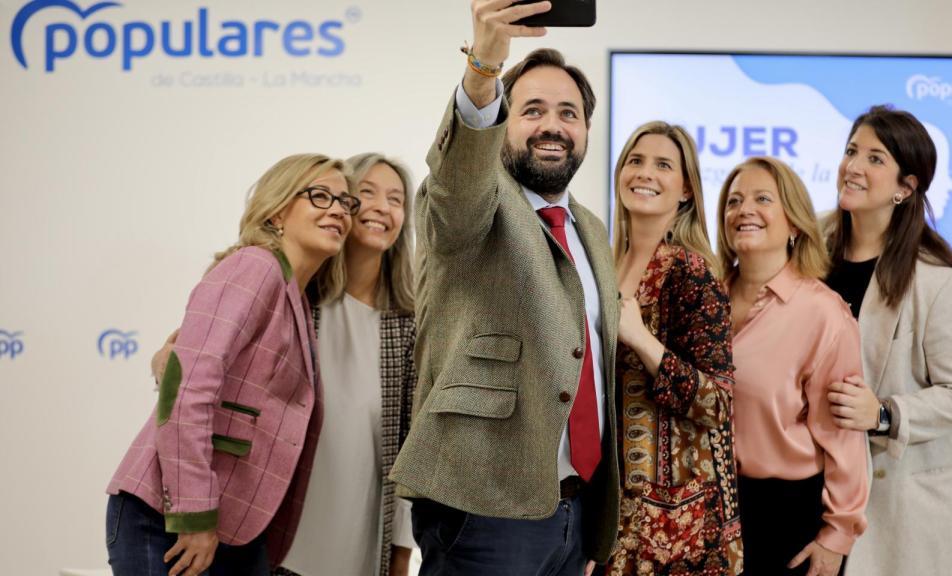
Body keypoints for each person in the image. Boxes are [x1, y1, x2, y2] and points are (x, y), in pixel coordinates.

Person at [388, 1, 621, 574]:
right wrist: (486, 63)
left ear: (586, 130)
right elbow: (460, 175)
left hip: (572, 508)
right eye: (532, 110)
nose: (552, 125)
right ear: (503, 124)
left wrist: (589, 522)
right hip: (484, 507)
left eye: (569, 113)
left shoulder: (590, 229)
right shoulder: (475, 204)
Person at [106, 154, 357, 576]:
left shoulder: (294, 297)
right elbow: (187, 389)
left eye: (346, 202)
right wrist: (194, 515)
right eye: (320, 196)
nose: (337, 209)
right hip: (170, 519)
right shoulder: (254, 267)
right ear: (278, 210)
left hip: (233, 530)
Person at [823, 106, 952, 576]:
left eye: (875, 159)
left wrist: (884, 413)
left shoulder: (936, 281)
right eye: (852, 151)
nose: (853, 166)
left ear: (905, 187)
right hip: (816, 491)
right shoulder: (809, 243)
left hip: (901, 507)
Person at [716, 157, 868, 576]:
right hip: (709, 509)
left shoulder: (823, 313)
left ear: (796, 224)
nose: (744, 209)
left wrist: (836, 537)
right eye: (734, 201)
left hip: (786, 517)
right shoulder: (706, 299)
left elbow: (843, 438)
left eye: (763, 199)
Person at [605, 121, 742, 576]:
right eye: (635, 160)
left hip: (676, 527)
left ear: (685, 189)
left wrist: (641, 338)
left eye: (663, 165)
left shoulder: (691, 271)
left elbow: (716, 403)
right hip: (612, 511)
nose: (645, 173)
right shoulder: (603, 263)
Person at [272, 153, 418, 576]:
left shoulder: (408, 327)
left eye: (395, 198)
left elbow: (412, 451)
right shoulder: (298, 301)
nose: (381, 207)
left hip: (361, 546)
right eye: (365, 193)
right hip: (277, 543)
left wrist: (401, 557)